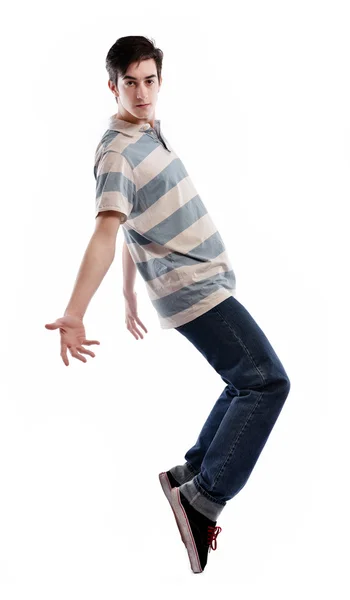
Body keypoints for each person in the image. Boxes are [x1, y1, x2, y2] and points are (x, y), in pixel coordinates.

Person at [45, 35, 291, 574]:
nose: (141, 92)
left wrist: (131, 292)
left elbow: (136, 224)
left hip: (200, 281)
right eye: (129, 82)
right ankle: (203, 498)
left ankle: (189, 474)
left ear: (160, 80)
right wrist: (76, 310)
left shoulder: (147, 131)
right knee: (267, 382)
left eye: (149, 80)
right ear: (112, 86)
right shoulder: (116, 153)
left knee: (243, 380)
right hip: (192, 286)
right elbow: (106, 232)